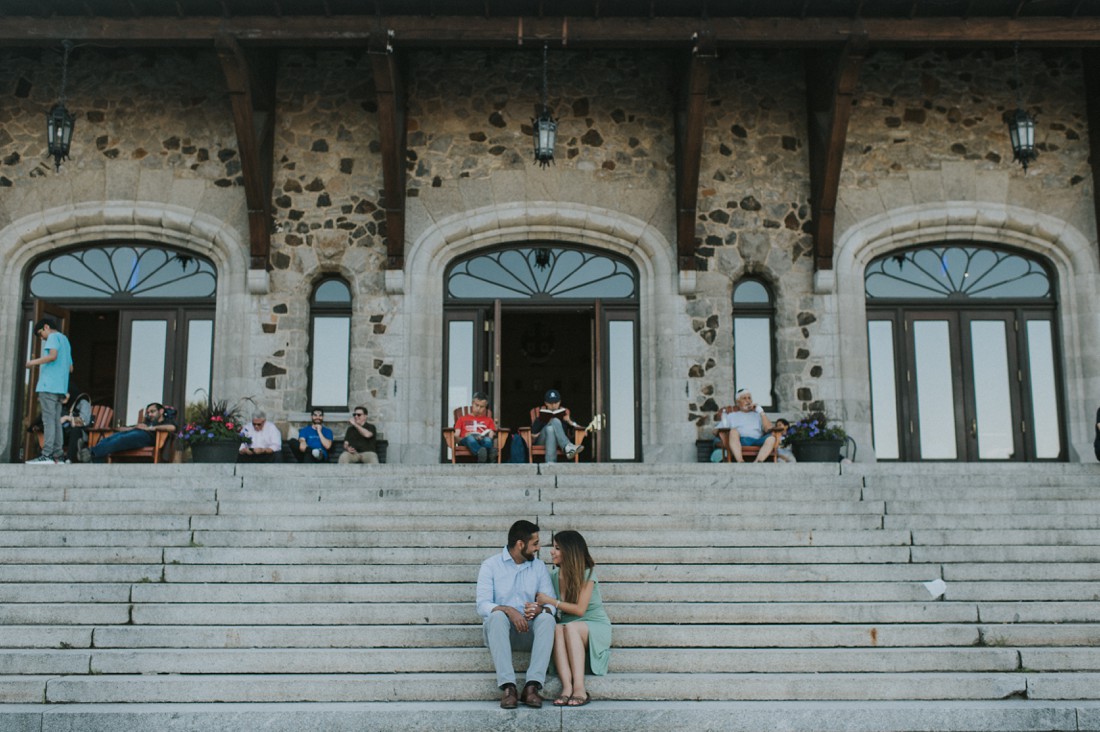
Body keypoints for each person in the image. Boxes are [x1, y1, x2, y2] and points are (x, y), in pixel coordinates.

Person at [476, 519, 557, 709]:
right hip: (499, 633)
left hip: (530, 632)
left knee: (547, 618)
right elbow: (482, 605)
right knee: (496, 615)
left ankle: (532, 686)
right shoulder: (490, 565)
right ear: (520, 544)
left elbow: (552, 605)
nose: (538, 548)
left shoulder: (538, 567)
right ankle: (508, 687)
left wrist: (541, 609)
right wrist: (508, 610)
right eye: (535, 543)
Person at [535, 530, 611, 707]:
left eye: (558, 548)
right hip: (568, 625)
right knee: (557, 627)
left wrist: (551, 601)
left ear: (570, 551)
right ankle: (567, 687)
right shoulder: (553, 575)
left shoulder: (587, 573)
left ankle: (579, 688)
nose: (552, 552)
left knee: (570, 627)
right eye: (553, 547)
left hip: (593, 623)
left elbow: (579, 610)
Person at [24, 317, 73, 464]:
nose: (41, 338)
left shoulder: (52, 337)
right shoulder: (65, 340)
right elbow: (71, 368)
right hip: (60, 387)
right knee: (56, 421)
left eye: (40, 334)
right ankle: (58, 455)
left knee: (48, 420)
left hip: (48, 386)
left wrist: (33, 362)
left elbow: (52, 356)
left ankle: (47, 454)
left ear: (46, 327)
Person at [79, 402, 176, 463]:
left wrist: (151, 428)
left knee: (121, 439)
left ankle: (90, 453)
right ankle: (90, 453)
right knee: (113, 437)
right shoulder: (147, 421)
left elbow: (172, 427)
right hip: (136, 433)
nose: (149, 414)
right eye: (148, 412)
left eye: (152, 411)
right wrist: (135, 426)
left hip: (146, 437)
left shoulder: (166, 421)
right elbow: (131, 428)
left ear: (161, 411)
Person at [713, 388, 777, 463]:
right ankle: (740, 461)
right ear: (738, 402)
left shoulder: (758, 415)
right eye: (744, 398)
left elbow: (769, 428)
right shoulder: (731, 416)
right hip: (741, 441)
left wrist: (761, 412)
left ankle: (757, 462)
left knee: (771, 438)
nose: (748, 401)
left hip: (757, 440)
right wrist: (723, 430)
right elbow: (714, 431)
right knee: (733, 431)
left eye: (749, 398)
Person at [531, 389, 584, 463]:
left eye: (556, 402)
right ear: (546, 403)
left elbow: (584, 432)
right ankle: (567, 447)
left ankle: (550, 463)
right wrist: (535, 435)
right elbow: (532, 435)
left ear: (560, 402)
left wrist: (570, 422)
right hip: (542, 441)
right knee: (554, 421)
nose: (553, 405)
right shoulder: (541, 417)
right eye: (550, 403)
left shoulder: (565, 416)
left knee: (550, 429)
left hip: (558, 441)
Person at [455, 392, 498, 463]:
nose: (478, 409)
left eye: (482, 407)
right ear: (472, 403)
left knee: (487, 440)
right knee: (470, 438)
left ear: (485, 407)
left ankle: (484, 453)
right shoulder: (462, 419)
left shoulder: (489, 420)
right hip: (467, 440)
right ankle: (482, 452)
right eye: (476, 405)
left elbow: (490, 437)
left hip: (482, 439)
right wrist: (464, 436)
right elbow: (456, 437)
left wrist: (489, 435)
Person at [59, 390, 93, 464]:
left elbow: (84, 421)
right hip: (65, 432)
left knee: (75, 430)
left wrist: (67, 418)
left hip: (80, 434)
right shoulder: (61, 405)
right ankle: (53, 457)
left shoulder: (83, 403)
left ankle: (69, 459)